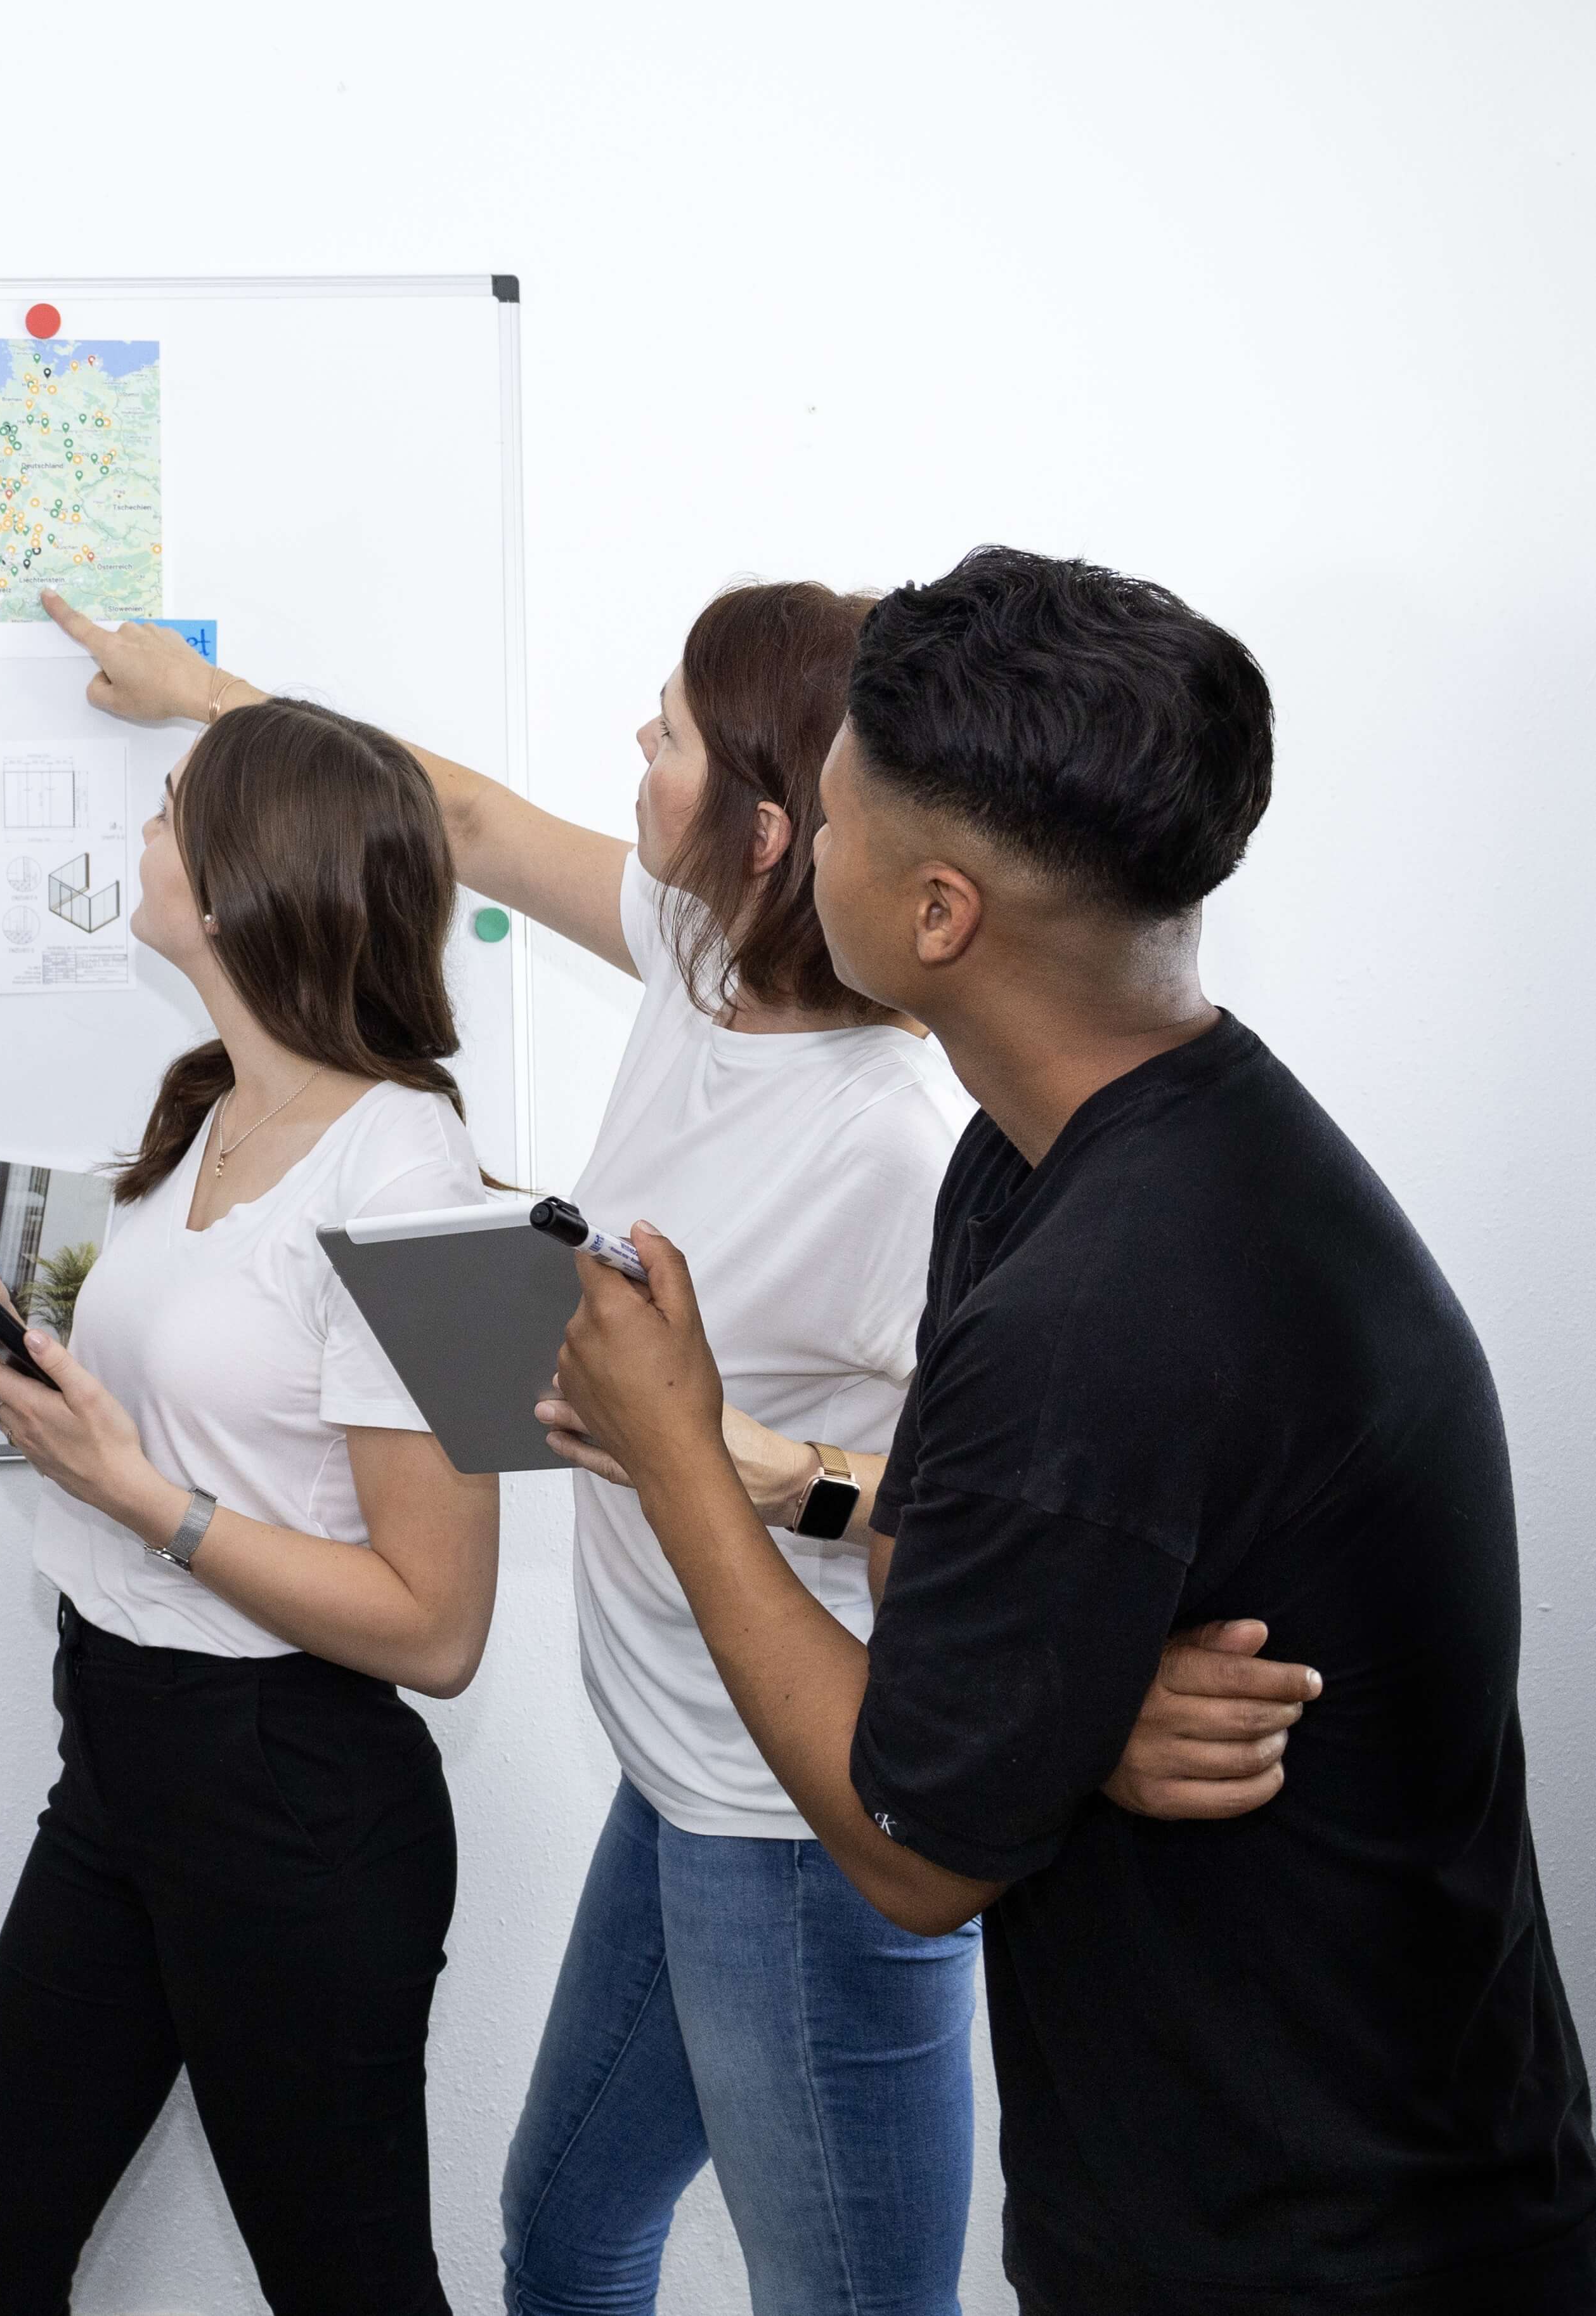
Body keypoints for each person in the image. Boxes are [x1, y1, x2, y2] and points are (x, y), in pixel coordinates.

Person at [42, 583, 1325, 2315]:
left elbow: (955, 1500)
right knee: (566, 2234)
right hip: (676, 1777)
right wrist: (211, 696)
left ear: (777, 830)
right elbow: (472, 821)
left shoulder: (888, 1148)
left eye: (663, 740)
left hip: (797, 1816)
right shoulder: (693, 953)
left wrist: (735, 1448)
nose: (633, 761)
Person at [550, 547, 1596, 2313]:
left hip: (1333, 2248)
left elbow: (910, 1848)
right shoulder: (1045, 1158)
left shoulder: (1107, 1300)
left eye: (835, 807)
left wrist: (675, 1449)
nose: (801, 836)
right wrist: (1065, 1700)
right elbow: (936, 1550)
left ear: (937, 909)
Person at [0, 699, 503, 2316]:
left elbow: (440, 1630)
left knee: (353, 2291)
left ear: (240, 881)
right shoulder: (202, 1113)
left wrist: (142, 1500)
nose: (142, 832)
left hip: (293, 1798)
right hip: (122, 1749)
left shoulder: (436, 1190)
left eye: (169, 806)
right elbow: (185, 1410)